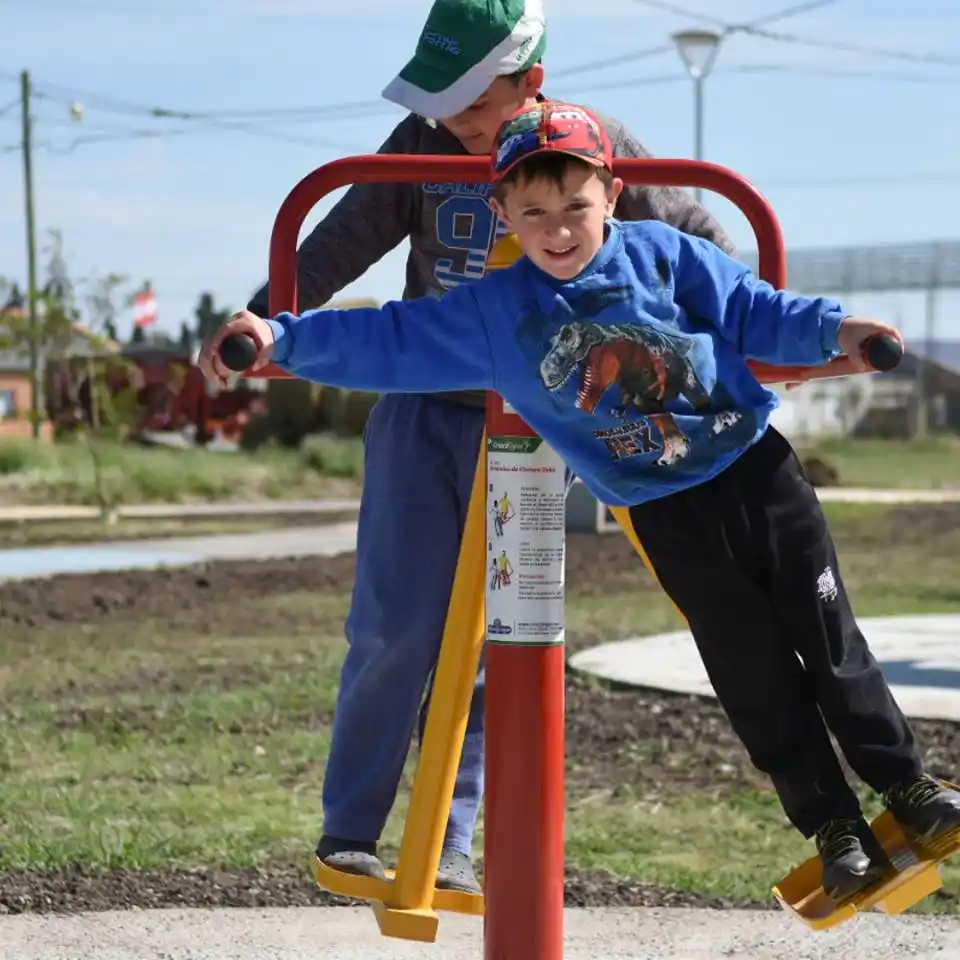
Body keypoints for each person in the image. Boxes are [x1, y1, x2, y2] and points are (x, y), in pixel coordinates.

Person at [205, 100, 960, 904]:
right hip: (664, 505)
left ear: (613, 193)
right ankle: (833, 825)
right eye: (533, 212)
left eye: (575, 206)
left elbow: (754, 311)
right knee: (750, 666)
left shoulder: (665, 256)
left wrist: (837, 331)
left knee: (827, 635)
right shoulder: (496, 312)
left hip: (757, 469)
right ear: (501, 213)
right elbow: (387, 336)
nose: (558, 228)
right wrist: (280, 338)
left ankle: (907, 785)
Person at [242, 0, 736, 894]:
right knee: (395, 622)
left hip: (538, 431)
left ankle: (454, 840)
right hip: (430, 406)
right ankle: (350, 827)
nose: (454, 118)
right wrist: (263, 316)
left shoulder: (592, 144)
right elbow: (339, 242)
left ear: (529, 84)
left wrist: (753, 317)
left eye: (473, 101)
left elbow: (697, 237)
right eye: (443, 99)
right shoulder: (419, 145)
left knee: (499, 635)